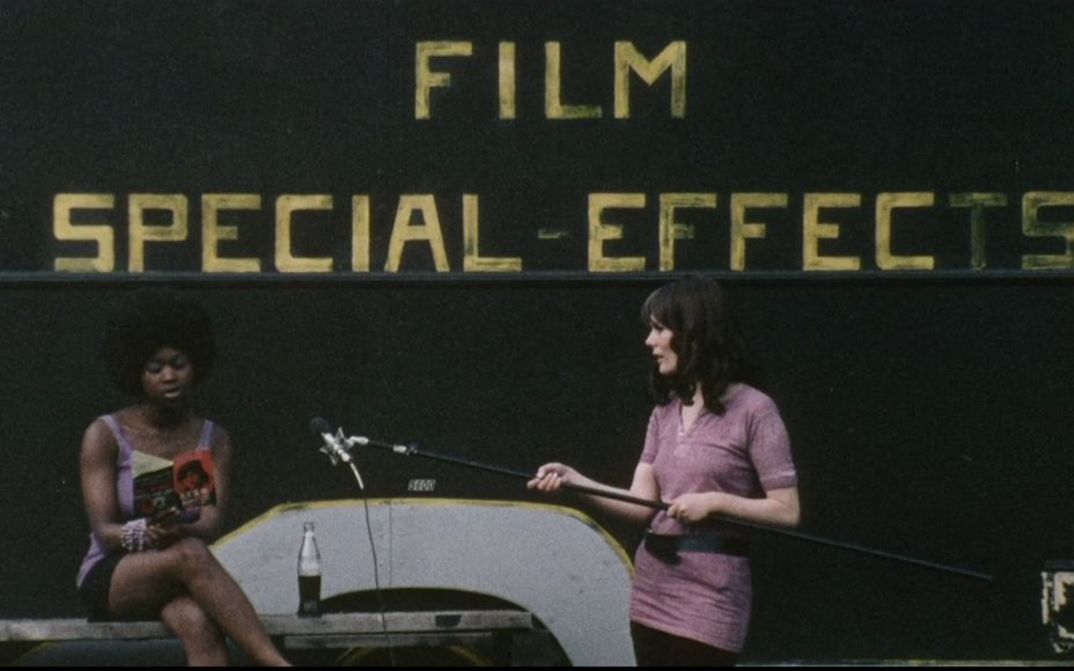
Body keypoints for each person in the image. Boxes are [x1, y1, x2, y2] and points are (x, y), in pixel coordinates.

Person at [528, 276, 800, 667]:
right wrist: (575, 481)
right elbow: (642, 506)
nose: (649, 342)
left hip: (712, 595)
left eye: (658, 329)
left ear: (693, 332)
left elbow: (787, 510)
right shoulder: (664, 412)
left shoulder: (756, 410)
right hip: (653, 588)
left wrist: (715, 502)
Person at [76, 288, 290, 666]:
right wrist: (145, 531)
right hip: (115, 576)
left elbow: (210, 523)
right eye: (154, 368)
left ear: (196, 365)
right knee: (190, 554)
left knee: (198, 623)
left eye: (178, 363)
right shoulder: (105, 433)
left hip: (179, 573)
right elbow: (104, 531)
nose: (169, 376)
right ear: (135, 372)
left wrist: (175, 526)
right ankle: (273, 663)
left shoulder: (214, 438)